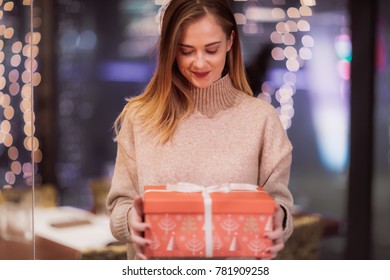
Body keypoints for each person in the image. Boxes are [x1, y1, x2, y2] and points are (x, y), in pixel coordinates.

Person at [106, 0, 293, 260]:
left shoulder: (261, 120)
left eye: (211, 50)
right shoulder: (140, 118)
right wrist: (130, 219)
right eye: (186, 51)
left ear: (230, 42)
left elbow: (280, 204)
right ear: (171, 49)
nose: (199, 63)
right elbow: (119, 205)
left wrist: (277, 219)